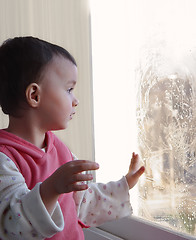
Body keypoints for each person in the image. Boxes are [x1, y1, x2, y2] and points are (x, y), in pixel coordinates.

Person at [0, 36, 145, 240]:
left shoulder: (59, 149)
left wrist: (125, 184)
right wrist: (51, 188)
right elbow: (11, 227)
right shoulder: (4, 158)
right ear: (34, 95)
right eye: (69, 89)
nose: (75, 100)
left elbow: (83, 201)